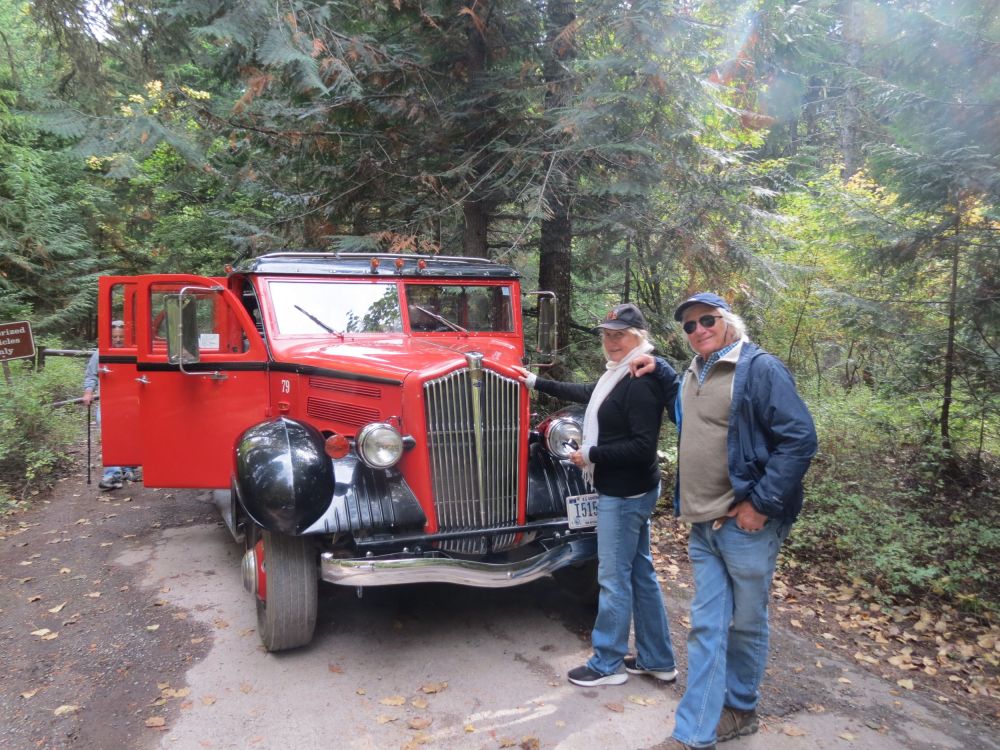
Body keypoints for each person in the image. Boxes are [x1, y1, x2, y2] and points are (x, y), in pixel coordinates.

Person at [632, 292, 817, 750]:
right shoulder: (696, 371)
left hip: (746, 525)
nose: (698, 330)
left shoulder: (760, 370)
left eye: (707, 320)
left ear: (728, 321)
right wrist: (659, 369)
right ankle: (693, 734)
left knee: (746, 624)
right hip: (703, 524)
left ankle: (740, 711)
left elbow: (799, 438)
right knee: (706, 626)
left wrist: (762, 503)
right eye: (689, 326)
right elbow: (693, 417)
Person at [513, 302, 678, 687]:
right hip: (634, 489)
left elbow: (641, 446)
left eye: (619, 335)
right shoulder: (620, 375)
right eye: (607, 334)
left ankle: (608, 664)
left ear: (639, 337)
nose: (611, 342)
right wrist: (536, 382)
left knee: (614, 577)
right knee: (641, 573)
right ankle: (658, 659)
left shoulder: (641, 380)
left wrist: (590, 454)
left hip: (624, 493)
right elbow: (588, 392)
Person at [83, 320, 139, 491]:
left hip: (132, 401)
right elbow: (91, 375)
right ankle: (113, 474)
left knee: (130, 431)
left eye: (121, 336)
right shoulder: (101, 353)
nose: (118, 339)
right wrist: (88, 392)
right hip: (110, 401)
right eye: (114, 336)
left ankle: (128, 466)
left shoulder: (135, 351)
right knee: (107, 429)